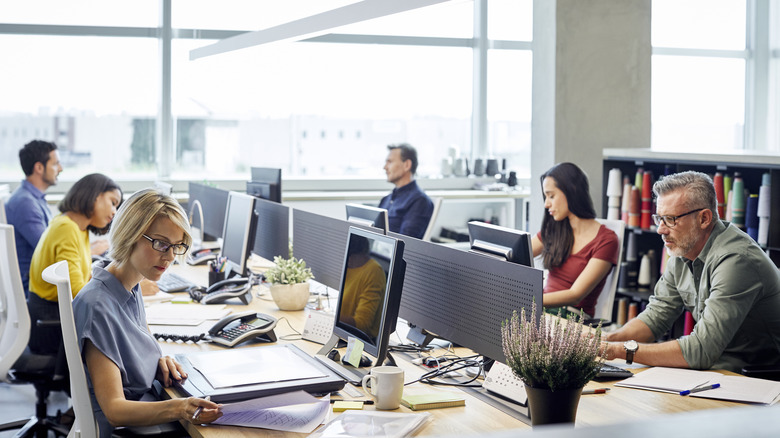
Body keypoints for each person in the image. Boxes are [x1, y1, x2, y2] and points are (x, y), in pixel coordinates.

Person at [73, 189, 221, 436]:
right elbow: (115, 409)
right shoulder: (97, 305)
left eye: (177, 246)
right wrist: (181, 408)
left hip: (144, 410)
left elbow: (134, 346)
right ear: (129, 235)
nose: (170, 256)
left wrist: (157, 360)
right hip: (126, 429)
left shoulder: (129, 283)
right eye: (161, 244)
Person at [603, 171, 780, 372]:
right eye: (659, 218)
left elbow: (701, 350)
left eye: (670, 219)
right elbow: (656, 316)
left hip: (759, 379)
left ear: (704, 218)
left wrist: (619, 350)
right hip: (718, 370)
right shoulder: (682, 252)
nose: (661, 229)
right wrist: (606, 340)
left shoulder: (737, 260)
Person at [27, 173, 122, 355]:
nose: (114, 211)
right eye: (113, 202)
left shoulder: (77, 228)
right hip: (51, 326)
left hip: (57, 318)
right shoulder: (67, 228)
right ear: (95, 195)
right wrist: (120, 291)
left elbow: (84, 279)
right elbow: (77, 291)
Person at [531, 162, 619, 317]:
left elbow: (575, 295)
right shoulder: (555, 230)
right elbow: (518, 253)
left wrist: (530, 300)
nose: (546, 204)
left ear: (571, 191)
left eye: (551, 196)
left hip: (572, 318)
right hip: (542, 311)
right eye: (546, 197)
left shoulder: (607, 241)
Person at [5, 140, 62, 294]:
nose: (60, 169)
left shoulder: (32, 198)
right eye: (56, 164)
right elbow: (49, 250)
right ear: (39, 167)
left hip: (37, 280)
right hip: (33, 288)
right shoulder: (25, 203)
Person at [378, 143, 434, 239]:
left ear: (407, 165)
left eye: (390, 162)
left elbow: (405, 243)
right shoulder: (386, 199)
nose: (385, 167)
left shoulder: (419, 201)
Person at [339, 235, 386, 339]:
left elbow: (362, 324)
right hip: (339, 332)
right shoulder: (348, 266)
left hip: (356, 339)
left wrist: (333, 318)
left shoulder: (373, 271)